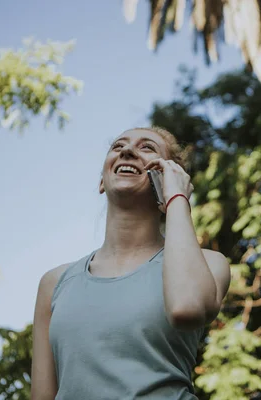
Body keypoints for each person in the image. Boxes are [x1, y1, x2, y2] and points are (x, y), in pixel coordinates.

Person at [31, 127, 231, 400]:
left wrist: (176, 198)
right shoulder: (54, 283)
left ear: (170, 177)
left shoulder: (209, 263)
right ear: (102, 181)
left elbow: (187, 308)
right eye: (118, 147)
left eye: (147, 147)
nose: (127, 151)